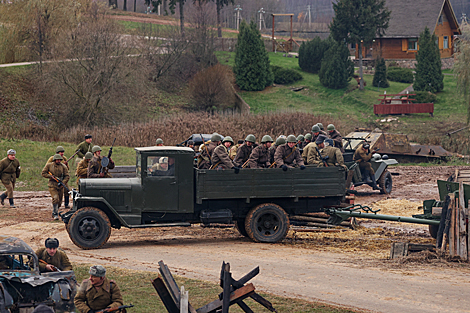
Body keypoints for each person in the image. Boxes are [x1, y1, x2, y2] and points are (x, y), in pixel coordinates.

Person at [42, 154, 70, 220]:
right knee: (55, 198)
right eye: (57, 160)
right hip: (52, 185)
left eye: (60, 160)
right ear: (54, 160)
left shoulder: (63, 166)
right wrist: (50, 176)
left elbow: (67, 176)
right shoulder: (49, 165)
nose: (58, 161)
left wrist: (63, 182)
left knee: (59, 202)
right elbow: (43, 173)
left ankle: (56, 210)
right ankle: (55, 214)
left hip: (60, 185)